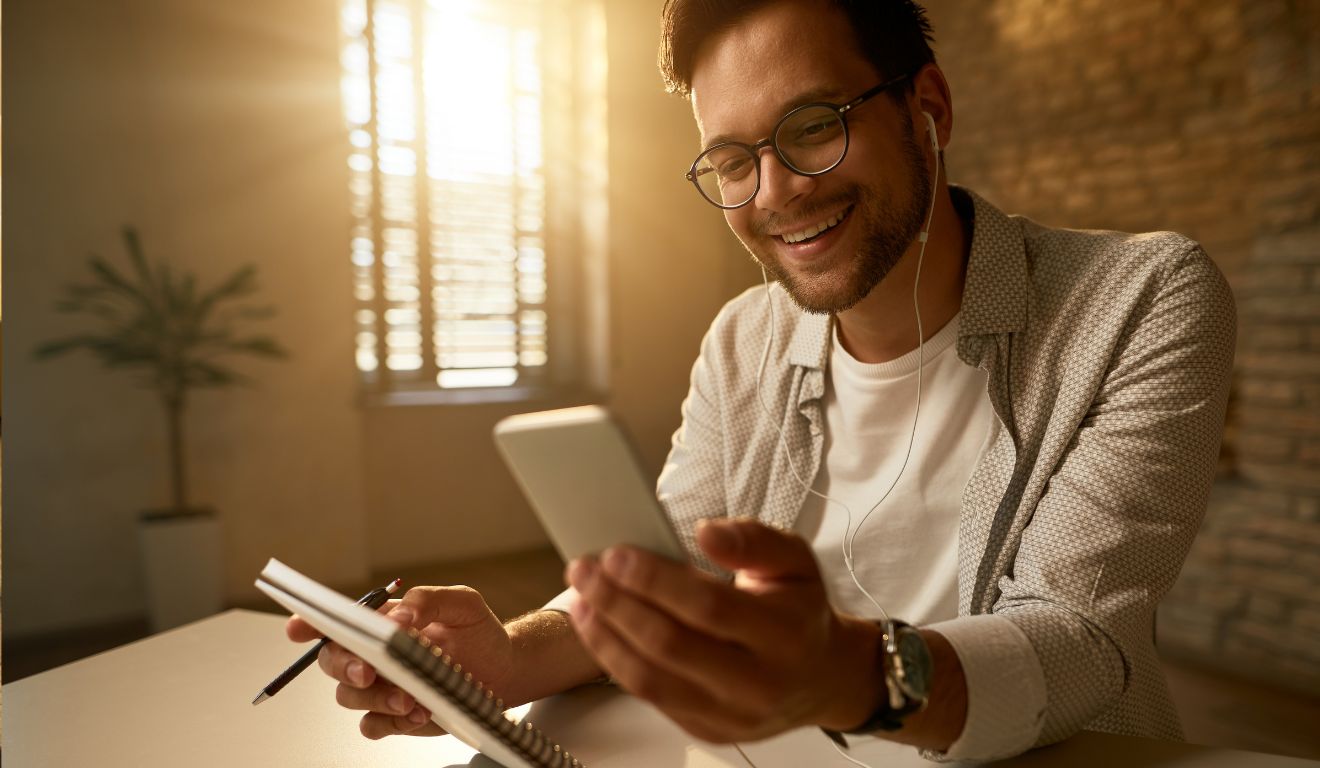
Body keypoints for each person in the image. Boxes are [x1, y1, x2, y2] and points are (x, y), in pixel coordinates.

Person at [287, 0, 1235, 760]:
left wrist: (851, 675)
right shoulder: (744, 338)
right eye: (733, 161)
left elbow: (1079, 643)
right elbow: (673, 574)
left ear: (929, 108)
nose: (776, 192)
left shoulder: (1141, 299)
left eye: (813, 127)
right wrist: (508, 656)